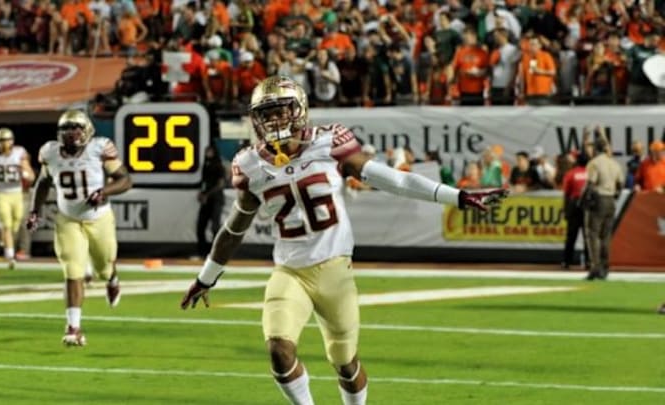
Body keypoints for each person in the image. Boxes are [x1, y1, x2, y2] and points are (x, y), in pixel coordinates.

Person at [179, 76, 506, 405]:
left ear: (300, 109)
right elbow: (235, 228)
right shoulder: (250, 164)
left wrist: (458, 197)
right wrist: (206, 277)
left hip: (335, 270)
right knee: (279, 350)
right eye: (267, 113)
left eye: (281, 110)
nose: (274, 120)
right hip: (289, 272)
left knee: (346, 364)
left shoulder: (329, 142)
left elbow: (395, 181)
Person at [27, 109, 132, 346]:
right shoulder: (50, 152)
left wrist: (104, 192)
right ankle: (73, 327)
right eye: (66, 128)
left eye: (76, 128)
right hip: (67, 219)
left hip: (99, 218)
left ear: (87, 131)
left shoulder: (100, 148)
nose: (71, 133)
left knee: (104, 267)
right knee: (72, 271)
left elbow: (125, 180)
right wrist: (35, 211)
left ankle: (112, 280)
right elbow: (42, 182)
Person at [0, 128, 35, 269]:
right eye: (1, 141)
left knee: (17, 222)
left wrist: (26, 173)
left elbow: (31, 174)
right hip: (1, 193)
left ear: (12, 141)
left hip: (17, 193)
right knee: (7, 225)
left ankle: (4, 237)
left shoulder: (19, 153)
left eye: (7, 140)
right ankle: (10, 255)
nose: (4, 144)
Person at [583, 137, 623, 281]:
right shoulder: (615, 164)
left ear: (596, 149)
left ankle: (595, 267)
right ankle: (605, 267)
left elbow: (591, 184)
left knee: (593, 234)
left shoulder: (594, 163)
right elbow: (620, 185)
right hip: (610, 199)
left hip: (598, 199)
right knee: (606, 236)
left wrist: (585, 200)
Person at [195, 144, 226, 258]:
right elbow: (204, 182)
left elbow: (220, 184)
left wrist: (207, 194)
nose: (207, 154)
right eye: (206, 151)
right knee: (200, 226)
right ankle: (202, 252)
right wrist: (201, 193)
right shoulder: (205, 165)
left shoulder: (218, 165)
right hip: (206, 200)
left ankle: (216, 254)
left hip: (216, 199)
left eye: (210, 151)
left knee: (215, 227)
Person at [561, 153, 589, 270]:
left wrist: (565, 210)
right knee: (587, 235)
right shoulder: (591, 173)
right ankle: (589, 261)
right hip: (587, 205)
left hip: (574, 204)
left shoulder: (571, 173)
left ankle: (567, 261)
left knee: (571, 235)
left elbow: (566, 193)